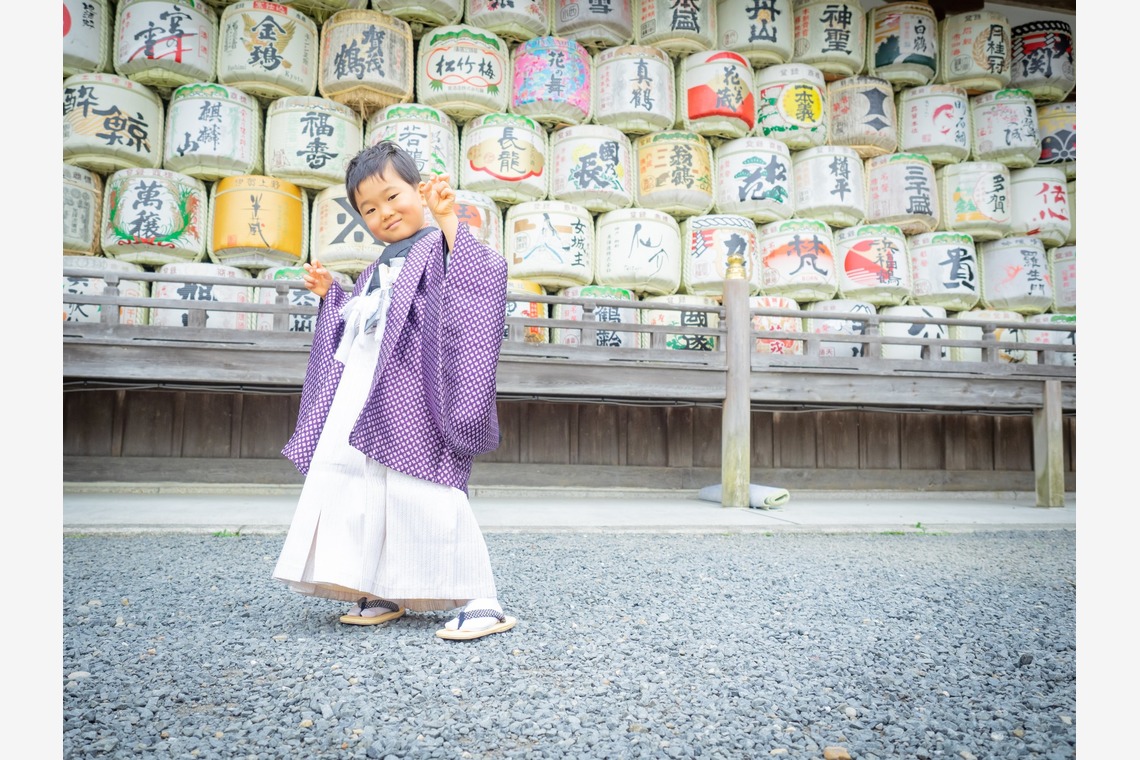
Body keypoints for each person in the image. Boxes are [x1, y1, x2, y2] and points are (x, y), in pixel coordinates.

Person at [272, 141, 515, 641]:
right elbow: (360, 325)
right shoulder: (376, 267)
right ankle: (380, 587)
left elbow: (479, 278)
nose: (384, 213)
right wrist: (332, 296)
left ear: (417, 190)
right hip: (362, 387)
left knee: (424, 486)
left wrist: (449, 219)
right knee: (356, 482)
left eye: (392, 196)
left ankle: (480, 598)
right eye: (369, 208)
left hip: (414, 387)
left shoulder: (438, 245)